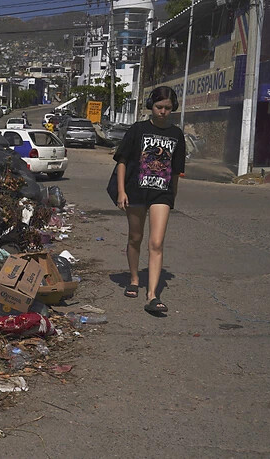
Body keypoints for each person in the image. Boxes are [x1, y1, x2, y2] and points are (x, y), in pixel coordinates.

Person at [113, 86, 186, 314]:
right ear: (150, 106)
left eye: (167, 108)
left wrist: (172, 196)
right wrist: (121, 191)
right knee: (135, 237)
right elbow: (122, 160)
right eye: (159, 107)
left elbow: (175, 171)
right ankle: (134, 279)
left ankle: (153, 295)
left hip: (161, 194)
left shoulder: (176, 135)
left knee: (156, 243)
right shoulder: (138, 130)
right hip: (135, 191)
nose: (163, 111)